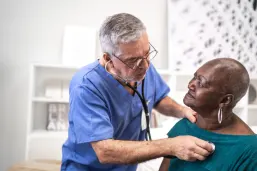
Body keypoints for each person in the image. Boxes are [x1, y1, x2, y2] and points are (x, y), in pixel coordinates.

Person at [61, 13, 214, 171]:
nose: (145, 65)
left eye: (147, 54)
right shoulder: (86, 86)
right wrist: (171, 146)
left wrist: (183, 111)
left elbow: (158, 98)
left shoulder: (143, 66)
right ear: (108, 59)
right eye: (133, 60)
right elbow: (105, 151)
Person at [159, 58, 257, 171]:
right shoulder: (184, 126)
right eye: (194, 77)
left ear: (225, 100)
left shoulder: (250, 151)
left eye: (201, 83)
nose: (190, 84)